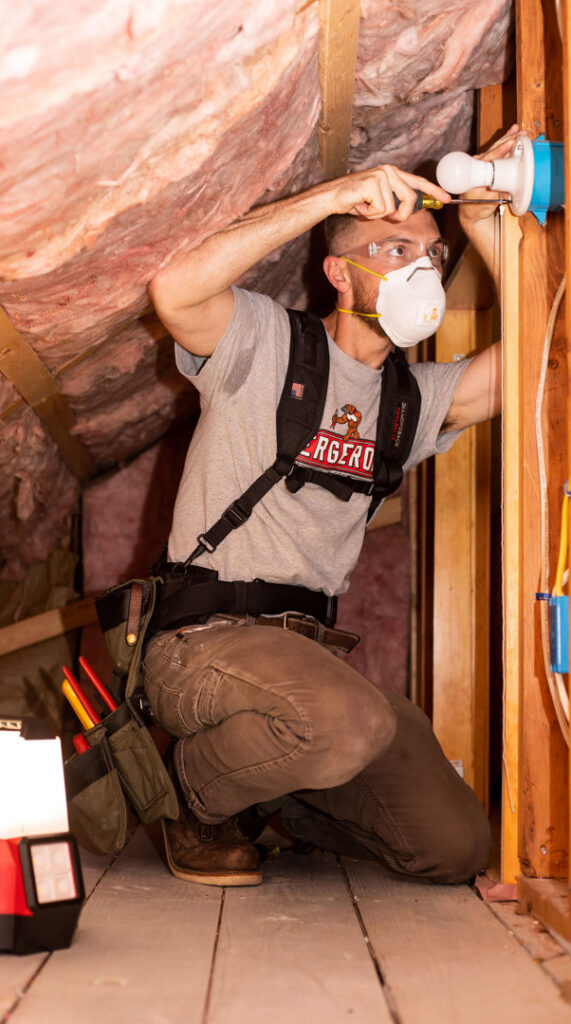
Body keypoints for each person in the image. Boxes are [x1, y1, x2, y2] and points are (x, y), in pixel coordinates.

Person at [143, 126, 519, 888]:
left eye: (429, 254)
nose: (421, 267)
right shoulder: (263, 342)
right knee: (348, 721)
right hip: (200, 643)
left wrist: (483, 229)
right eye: (393, 250)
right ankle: (192, 797)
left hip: (308, 661)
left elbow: (547, 355)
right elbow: (173, 290)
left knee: (454, 847)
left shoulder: (412, 399)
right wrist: (331, 195)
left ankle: (279, 796)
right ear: (339, 276)